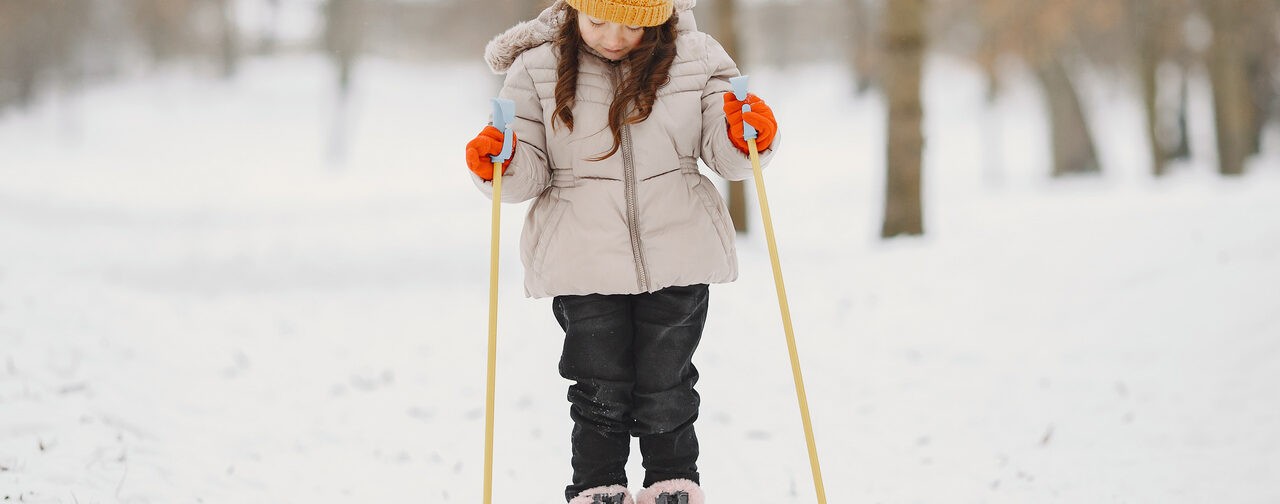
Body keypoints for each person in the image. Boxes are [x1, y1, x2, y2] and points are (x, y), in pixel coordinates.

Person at [464, 0, 778, 502]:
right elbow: (526, 172)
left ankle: (670, 487)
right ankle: (598, 489)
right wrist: (500, 161)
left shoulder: (697, 57)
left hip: (679, 249)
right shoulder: (536, 68)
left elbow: (727, 154)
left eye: (631, 26)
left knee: (666, 388)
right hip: (581, 258)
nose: (612, 38)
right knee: (598, 390)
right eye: (598, 22)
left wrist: (747, 137)